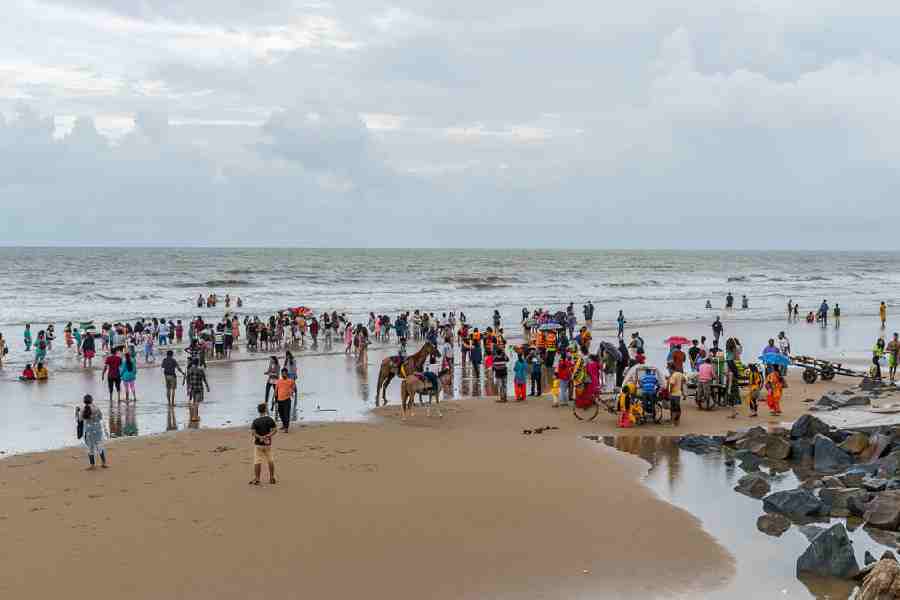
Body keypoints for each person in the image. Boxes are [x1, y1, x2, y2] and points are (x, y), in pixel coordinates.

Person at [77, 395, 108, 470]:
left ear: (84, 401)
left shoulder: (82, 410)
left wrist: (77, 412)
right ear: (92, 400)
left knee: (90, 448)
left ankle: (92, 465)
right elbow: (100, 417)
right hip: (97, 430)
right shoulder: (96, 408)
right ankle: (103, 463)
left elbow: (79, 420)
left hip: (88, 431)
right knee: (99, 446)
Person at [250, 403, 277, 485]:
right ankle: (272, 477)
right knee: (270, 460)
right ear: (265, 410)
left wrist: (260, 437)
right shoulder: (269, 419)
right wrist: (268, 436)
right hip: (268, 443)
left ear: (258, 411)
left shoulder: (255, 421)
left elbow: (253, 433)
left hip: (258, 444)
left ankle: (257, 478)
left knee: (257, 461)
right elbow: (275, 430)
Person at [273, 368, 296, 432]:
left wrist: (292, 391)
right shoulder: (279, 381)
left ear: (286, 373)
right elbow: (275, 391)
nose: (283, 374)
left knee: (286, 414)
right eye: (282, 373)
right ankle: (284, 425)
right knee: (281, 414)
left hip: (287, 400)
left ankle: (286, 428)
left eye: (284, 373)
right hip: (279, 400)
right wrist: (274, 400)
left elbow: (294, 386)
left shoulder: (290, 380)